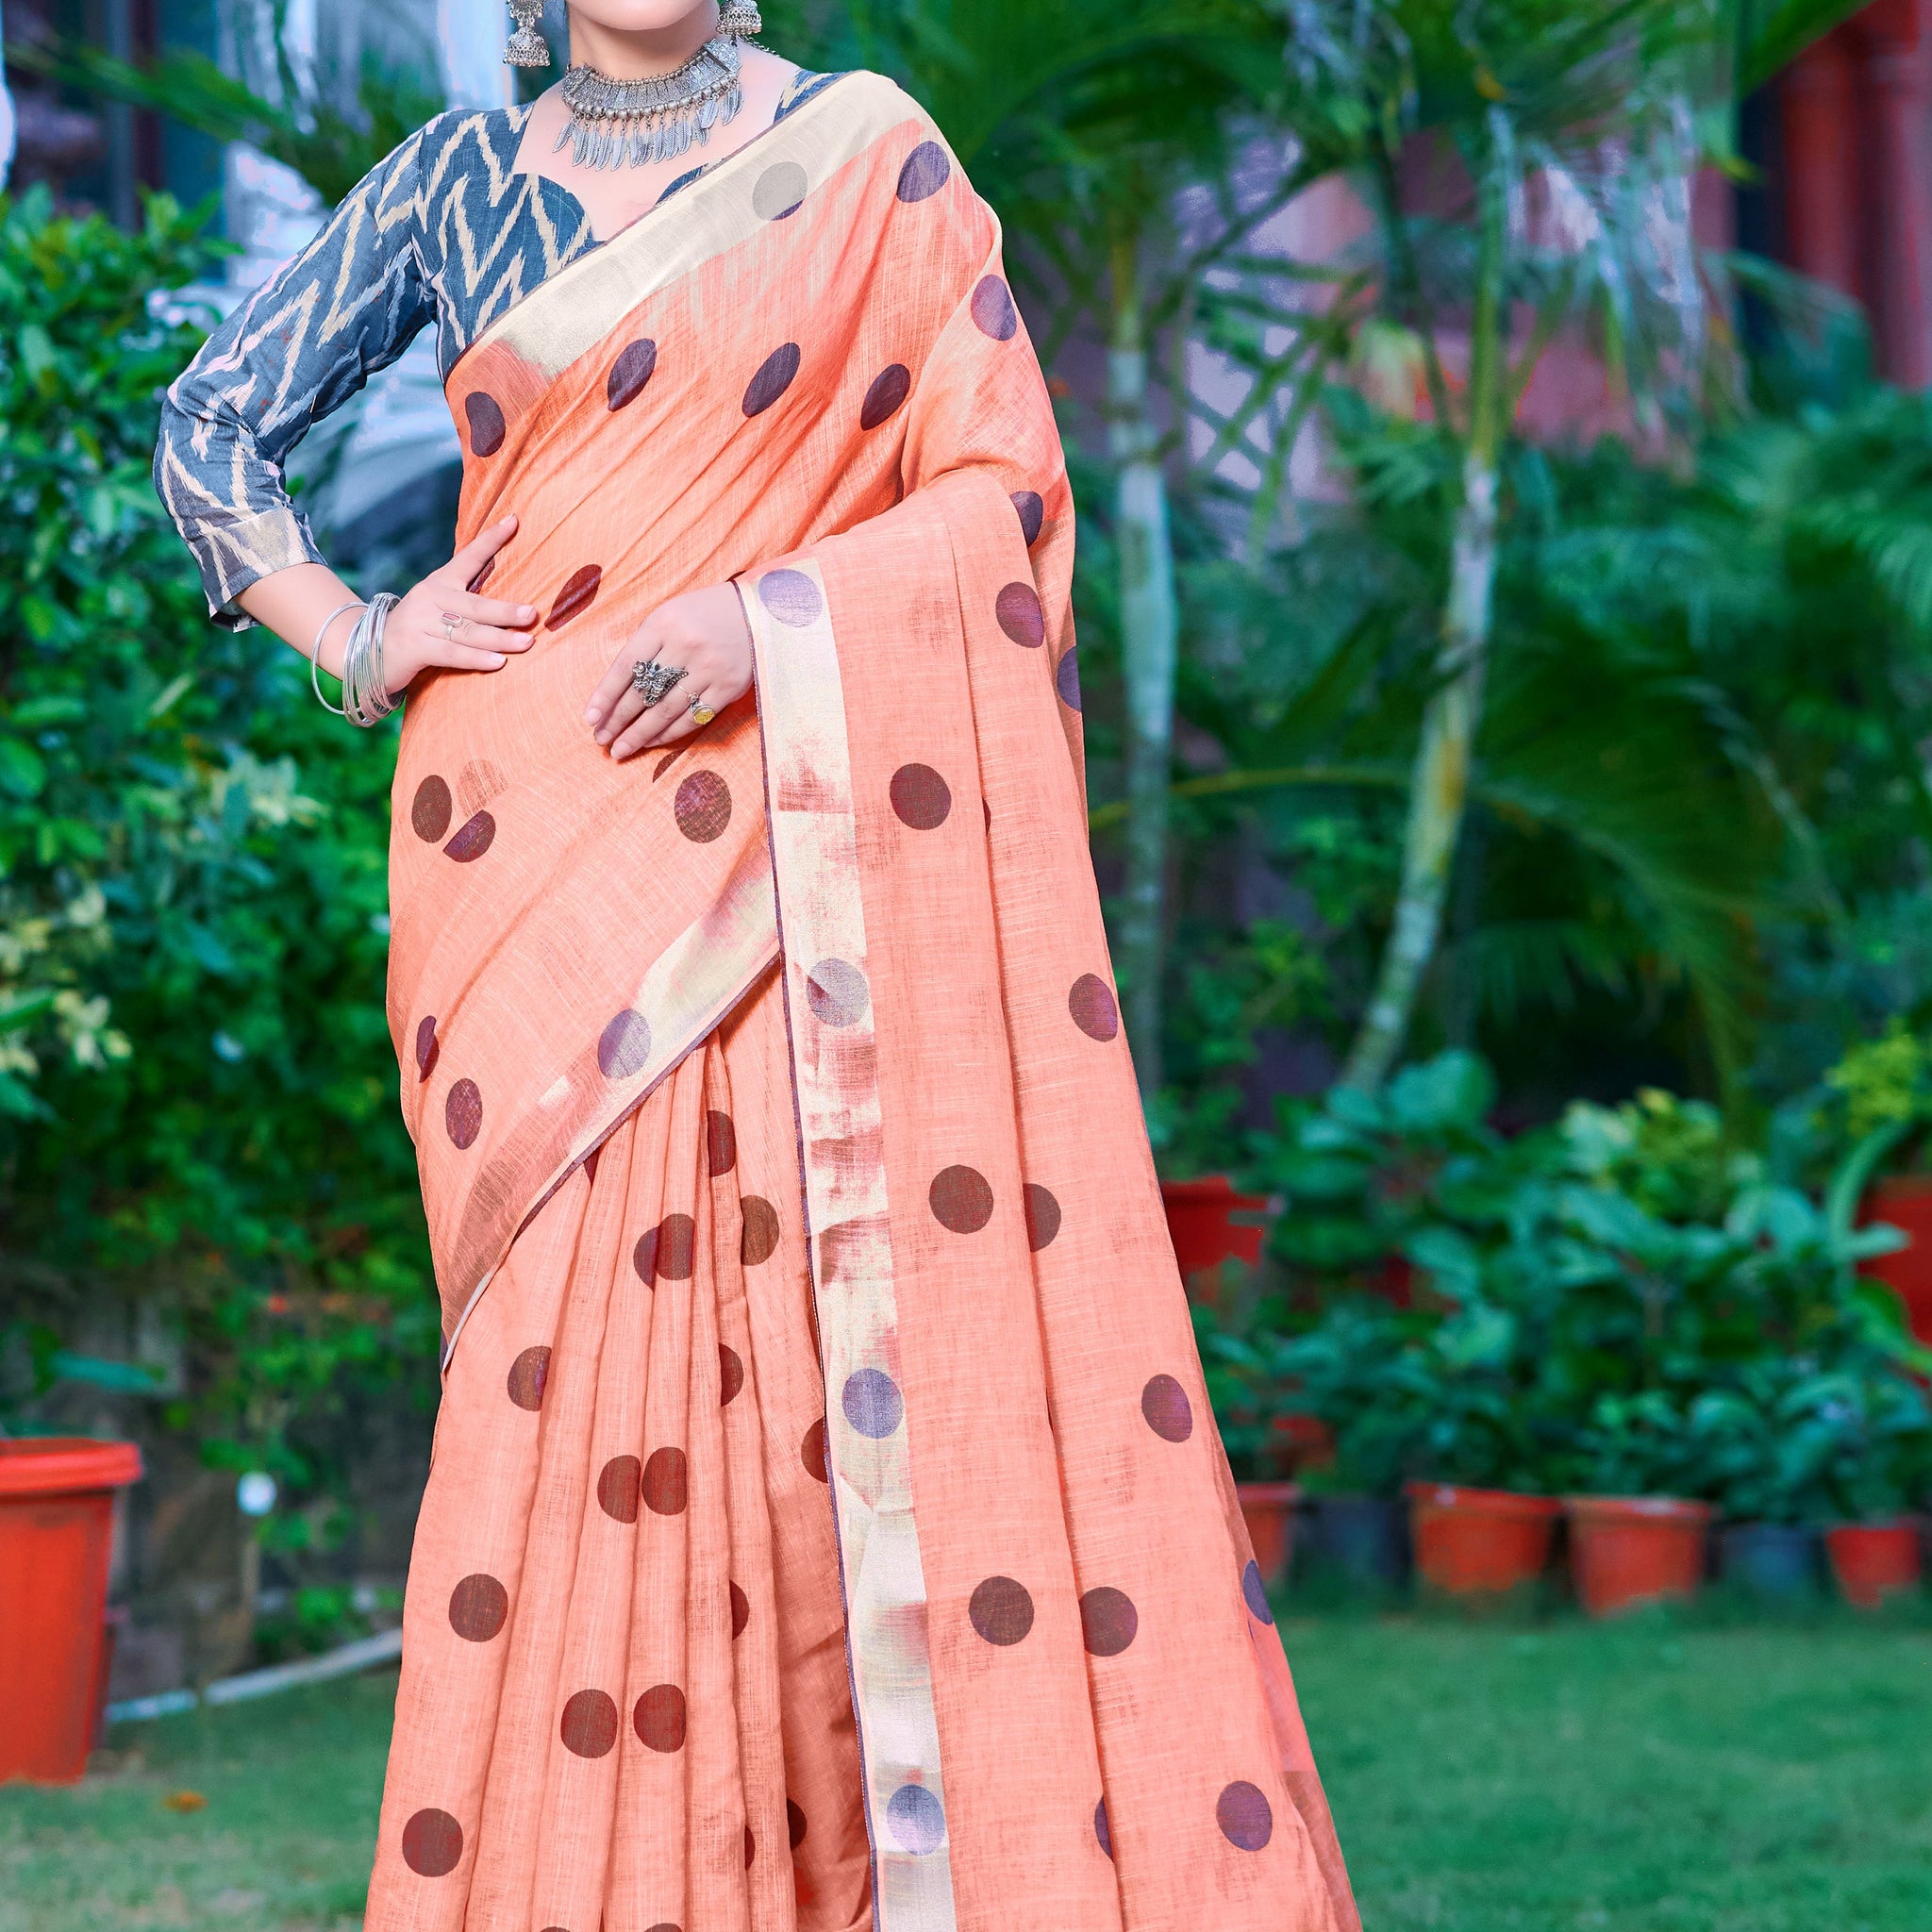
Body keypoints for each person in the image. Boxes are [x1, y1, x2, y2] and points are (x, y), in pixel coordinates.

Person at [154, 4, 1359, 1926]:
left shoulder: (867, 154)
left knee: (827, 1417)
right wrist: (362, 639)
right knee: (567, 1402)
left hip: (801, 857)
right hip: (528, 858)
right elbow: (211, 421)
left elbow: (999, 498)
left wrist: (765, 618)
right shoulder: (457, 184)